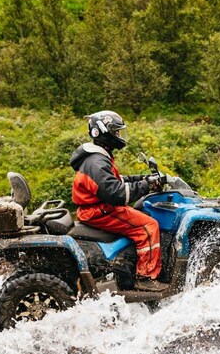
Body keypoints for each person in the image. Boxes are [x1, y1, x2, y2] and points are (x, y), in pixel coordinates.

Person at [70, 111, 168, 292]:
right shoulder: (96, 162)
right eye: (115, 132)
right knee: (148, 227)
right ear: (101, 132)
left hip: (97, 207)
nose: (118, 136)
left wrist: (144, 178)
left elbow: (116, 181)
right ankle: (145, 277)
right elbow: (116, 194)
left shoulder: (98, 158)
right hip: (100, 210)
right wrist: (146, 185)